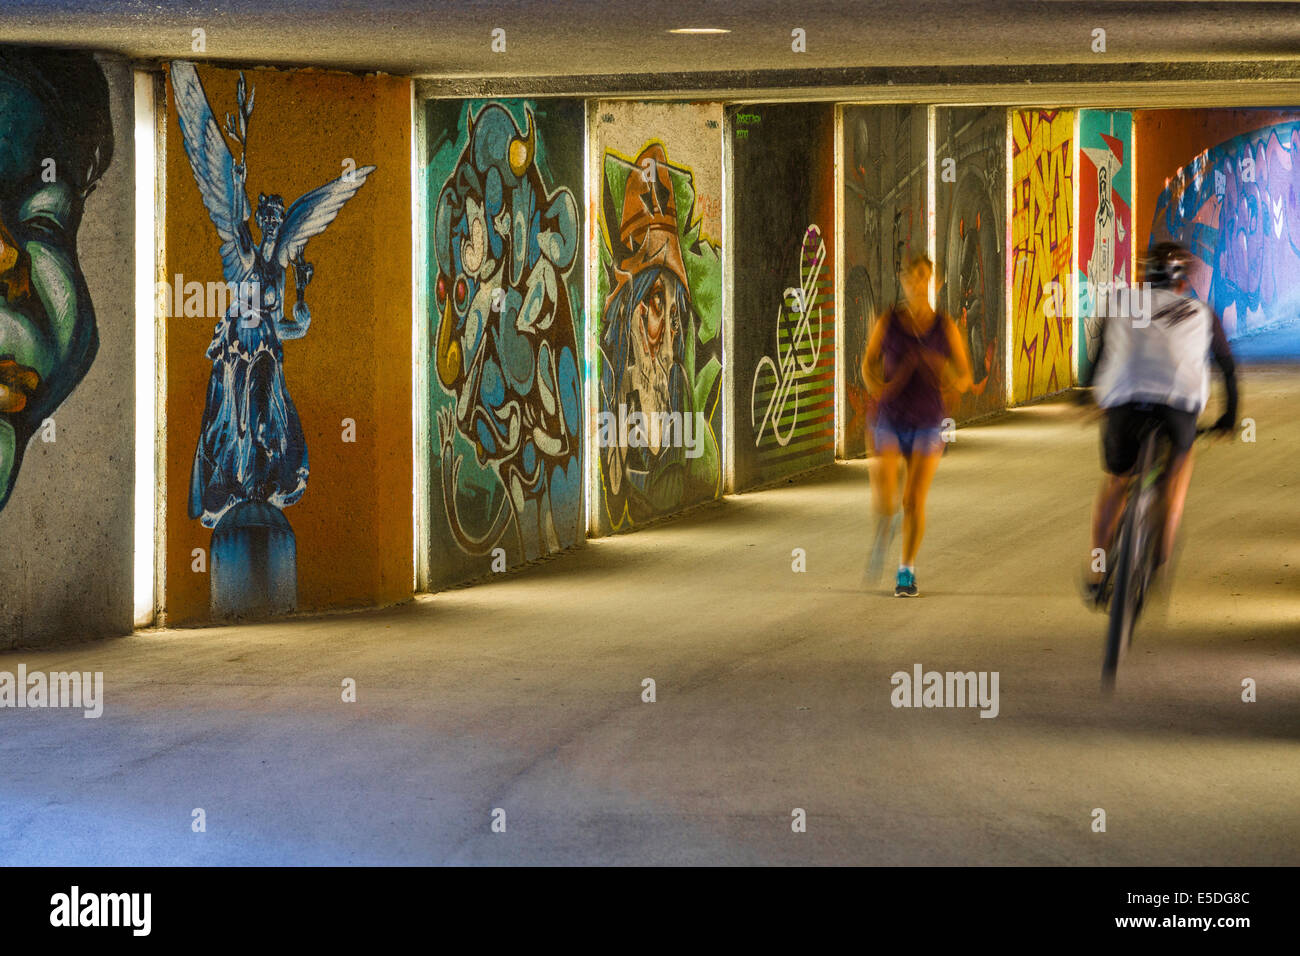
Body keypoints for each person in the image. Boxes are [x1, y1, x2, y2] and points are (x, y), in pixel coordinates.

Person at [1079, 241, 1239, 605]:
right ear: (1182, 283)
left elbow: (1101, 354)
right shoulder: (1201, 312)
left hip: (1123, 404)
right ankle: (1160, 555)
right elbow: (1228, 369)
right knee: (1177, 473)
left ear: (1145, 279)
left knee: (1117, 482)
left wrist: (1086, 395)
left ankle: (1097, 570)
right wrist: (1228, 419)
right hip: (1178, 407)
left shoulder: (1121, 303)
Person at [861, 254, 974, 596]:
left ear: (933, 282)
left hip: (928, 422)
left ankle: (906, 572)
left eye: (923, 278)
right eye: (911, 279)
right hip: (889, 419)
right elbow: (868, 364)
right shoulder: (888, 322)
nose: (916, 284)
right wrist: (875, 385)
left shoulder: (945, 326)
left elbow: (966, 375)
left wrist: (950, 378)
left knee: (913, 500)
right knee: (887, 502)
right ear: (902, 281)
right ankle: (886, 523)